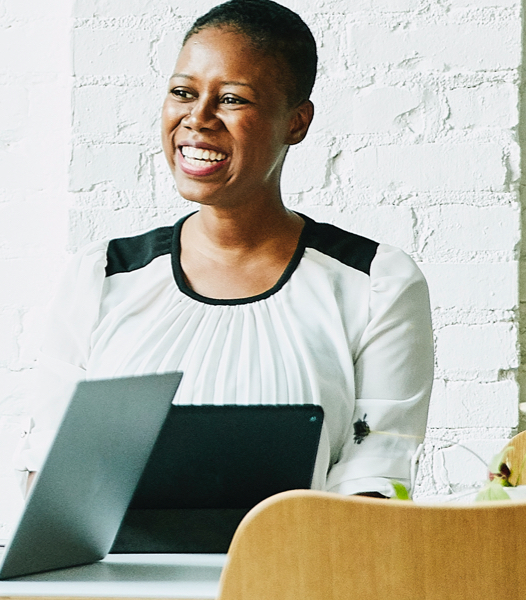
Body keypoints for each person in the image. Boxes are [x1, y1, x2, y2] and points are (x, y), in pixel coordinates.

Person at [28, 0, 433, 497]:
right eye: (183, 92)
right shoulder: (103, 275)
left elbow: (377, 477)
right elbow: (48, 473)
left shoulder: (375, 283)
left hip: (304, 552)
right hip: (119, 554)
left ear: (296, 122)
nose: (197, 118)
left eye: (232, 99)